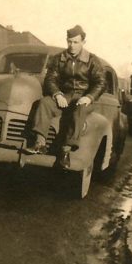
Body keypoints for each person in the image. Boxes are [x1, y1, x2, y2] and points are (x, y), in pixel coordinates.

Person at [25, 25, 106, 169]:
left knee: (79, 110)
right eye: (69, 42)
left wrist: (89, 97)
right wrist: (57, 94)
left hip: (84, 97)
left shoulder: (92, 60)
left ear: (83, 42)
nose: (72, 46)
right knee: (44, 102)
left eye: (76, 42)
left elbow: (100, 82)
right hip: (65, 95)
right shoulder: (59, 58)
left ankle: (65, 151)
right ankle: (39, 143)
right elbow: (50, 79)